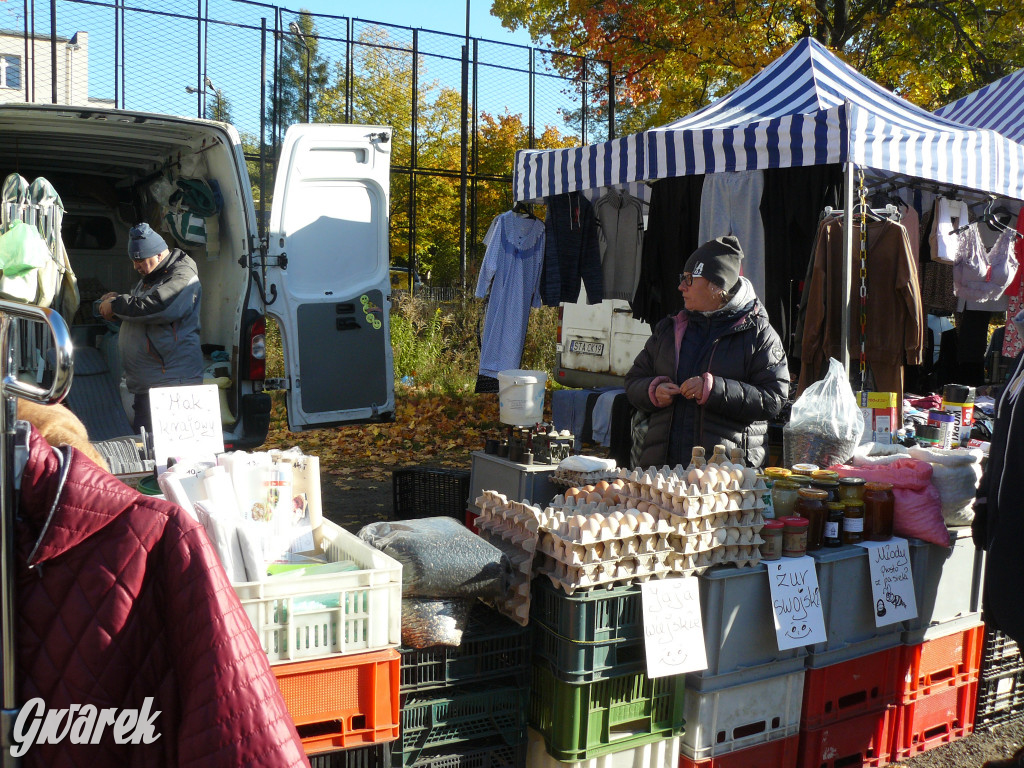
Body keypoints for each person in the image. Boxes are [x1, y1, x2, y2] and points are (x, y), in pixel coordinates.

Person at [625, 235, 789, 469]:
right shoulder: (669, 329)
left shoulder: (759, 334)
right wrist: (653, 390)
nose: (681, 286)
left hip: (726, 477)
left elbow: (774, 398)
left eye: (689, 279)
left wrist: (714, 390)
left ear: (716, 286)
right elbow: (633, 382)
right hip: (663, 473)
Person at [98, 223, 203, 432]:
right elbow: (143, 318)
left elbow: (159, 306)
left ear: (158, 254)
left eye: (140, 260)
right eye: (134, 261)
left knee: (168, 456)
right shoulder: (150, 277)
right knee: (149, 452)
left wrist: (117, 305)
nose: (135, 266)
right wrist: (115, 306)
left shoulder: (182, 276)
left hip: (171, 386)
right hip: (150, 384)